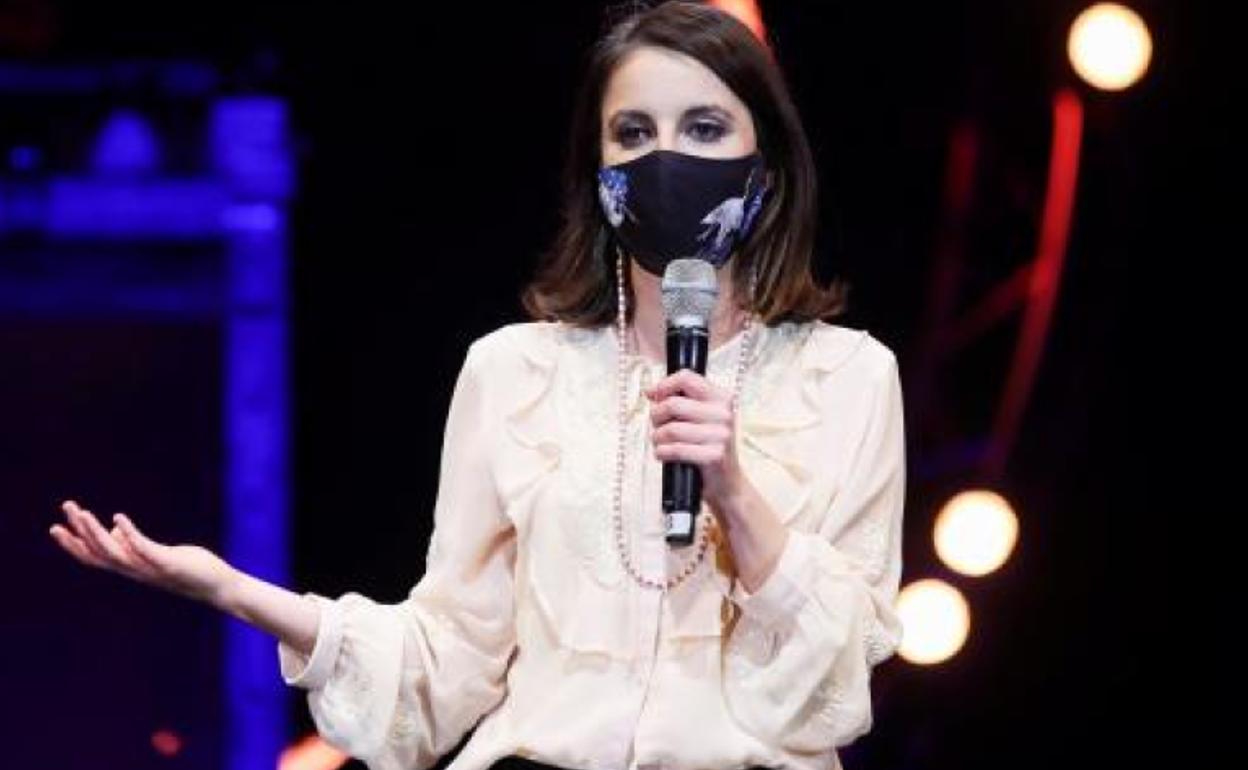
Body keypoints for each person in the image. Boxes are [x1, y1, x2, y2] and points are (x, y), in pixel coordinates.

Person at [48, 3, 906, 770]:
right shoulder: (512, 373)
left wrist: (735, 492)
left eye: (705, 128)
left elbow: (835, 684)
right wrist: (230, 590)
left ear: (767, 165)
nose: (666, 157)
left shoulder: (850, 380)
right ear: (599, 172)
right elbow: (447, 660)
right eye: (634, 133)